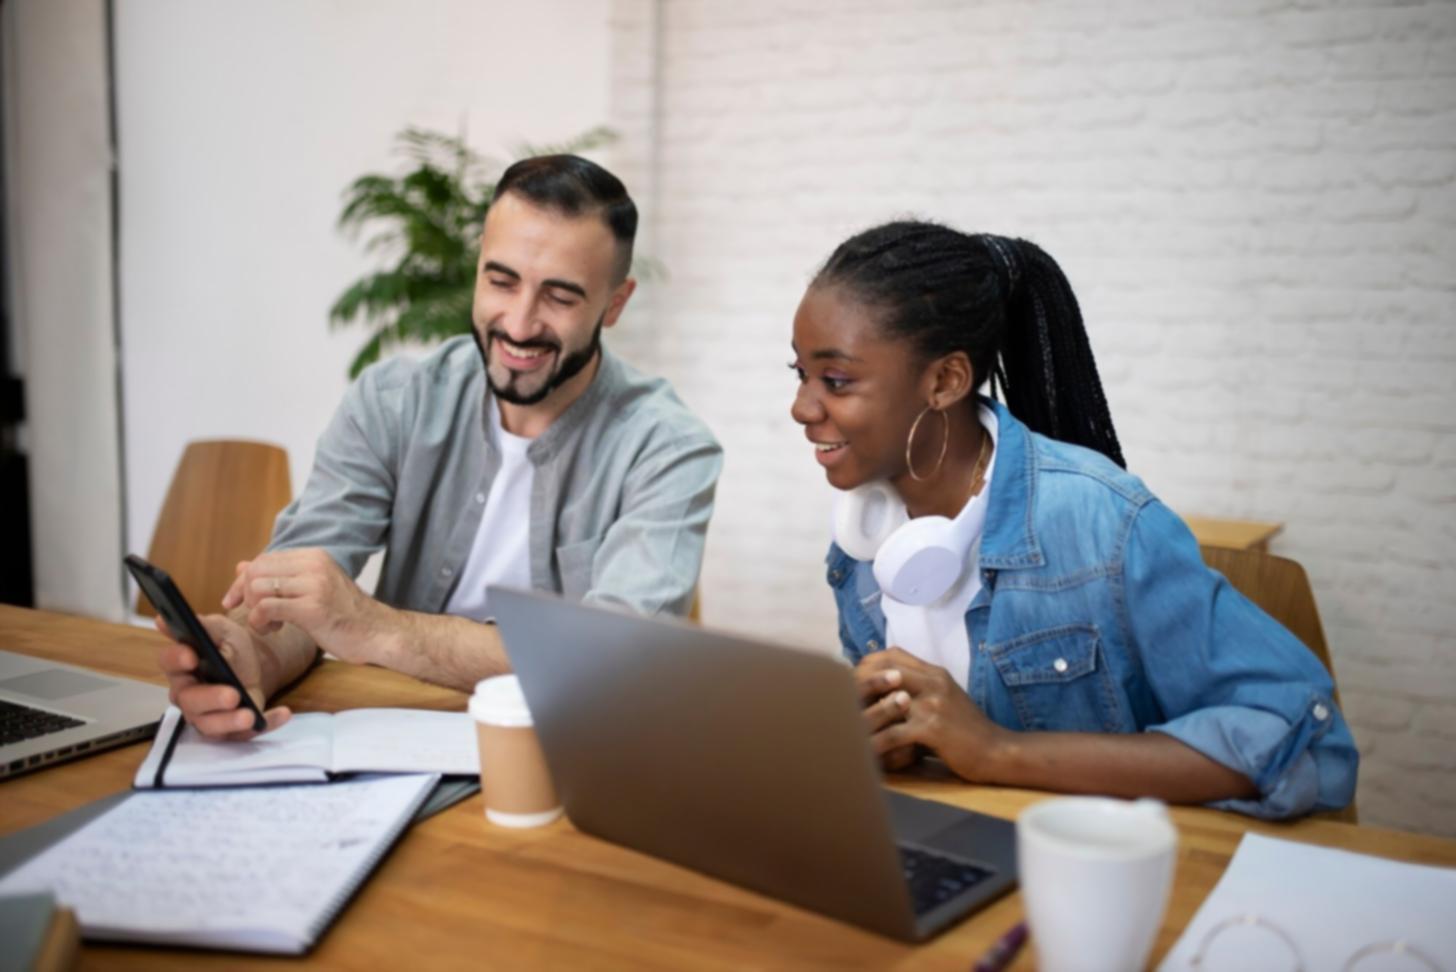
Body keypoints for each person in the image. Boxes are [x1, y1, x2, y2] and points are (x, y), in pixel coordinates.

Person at [789, 220, 1356, 819]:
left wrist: (997, 750)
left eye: (837, 380)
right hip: (956, 843)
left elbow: (1301, 735)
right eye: (800, 374)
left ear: (945, 380)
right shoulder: (863, 533)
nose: (801, 407)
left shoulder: (1102, 524)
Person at [159, 155, 722, 739]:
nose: (520, 324)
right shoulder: (395, 400)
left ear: (615, 302)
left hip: (561, 750)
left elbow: (609, 665)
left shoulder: (668, 448)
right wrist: (251, 657)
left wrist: (375, 628)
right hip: (392, 734)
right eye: (501, 281)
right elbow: (298, 609)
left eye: (560, 297)